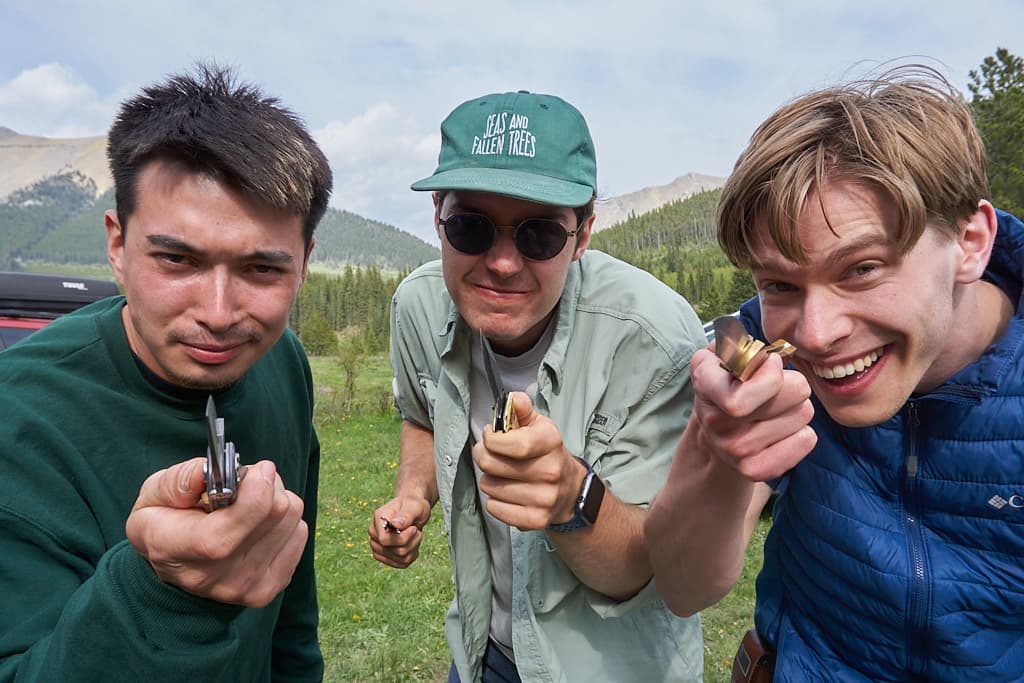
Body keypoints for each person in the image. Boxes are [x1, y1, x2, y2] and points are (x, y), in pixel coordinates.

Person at [645, 65, 1024, 681]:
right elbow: (684, 588)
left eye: (863, 269)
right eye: (779, 283)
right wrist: (718, 457)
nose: (816, 335)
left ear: (970, 242)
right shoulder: (757, 357)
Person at [0, 64, 333, 682]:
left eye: (262, 270)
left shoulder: (283, 362)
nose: (217, 313)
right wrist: (158, 589)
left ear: (306, 263)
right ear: (117, 246)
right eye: (176, 259)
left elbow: (291, 609)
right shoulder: (16, 422)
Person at [368, 90, 706, 682]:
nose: (502, 263)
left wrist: (570, 498)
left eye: (539, 235)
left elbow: (648, 565)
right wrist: (412, 497)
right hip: (482, 655)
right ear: (438, 220)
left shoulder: (655, 340)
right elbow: (420, 414)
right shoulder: (418, 307)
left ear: (583, 235)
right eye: (471, 228)